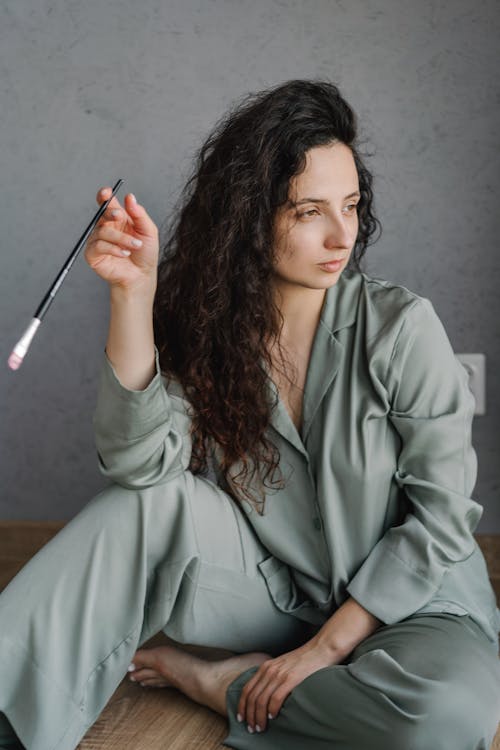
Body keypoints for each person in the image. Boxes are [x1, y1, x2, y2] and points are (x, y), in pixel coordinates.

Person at [1, 79, 499, 750]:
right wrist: (135, 296)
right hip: (278, 595)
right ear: (248, 216)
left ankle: (222, 686)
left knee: (445, 718)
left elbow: (441, 518)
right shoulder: (211, 330)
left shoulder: (401, 328)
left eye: (351, 206)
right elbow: (139, 464)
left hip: (416, 603)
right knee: (136, 507)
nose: (340, 234)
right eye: (308, 211)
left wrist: (322, 651)